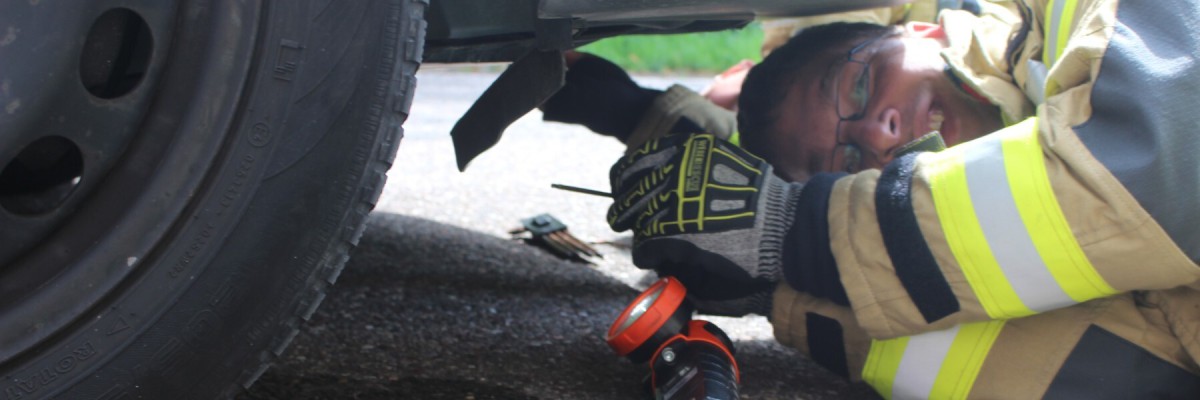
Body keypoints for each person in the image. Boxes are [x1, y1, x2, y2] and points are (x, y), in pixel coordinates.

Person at [605, 0, 1200, 398]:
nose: (876, 133)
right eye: (846, 166)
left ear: (923, 30)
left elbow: (1156, 172)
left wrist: (804, 235)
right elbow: (1120, 378)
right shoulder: (1004, 268)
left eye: (860, 86)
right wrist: (784, 290)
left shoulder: (1066, 11)